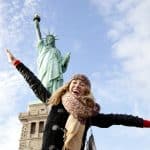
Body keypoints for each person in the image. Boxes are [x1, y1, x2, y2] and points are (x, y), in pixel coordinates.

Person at [5, 49, 150, 150]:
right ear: (69, 86)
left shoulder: (88, 114)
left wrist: (145, 123)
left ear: (85, 91)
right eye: (74, 82)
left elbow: (117, 119)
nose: (77, 85)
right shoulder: (55, 101)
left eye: (82, 84)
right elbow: (35, 84)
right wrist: (17, 63)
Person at [33, 14, 70, 93]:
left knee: (56, 87)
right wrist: (36, 23)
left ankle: (55, 97)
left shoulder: (57, 51)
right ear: (46, 40)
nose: (51, 40)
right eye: (49, 38)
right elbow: (38, 35)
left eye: (52, 39)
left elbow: (62, 67)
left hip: (56, 69)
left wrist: (66, 60)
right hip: (45, 69)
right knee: (45, 84)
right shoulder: (42, 47)